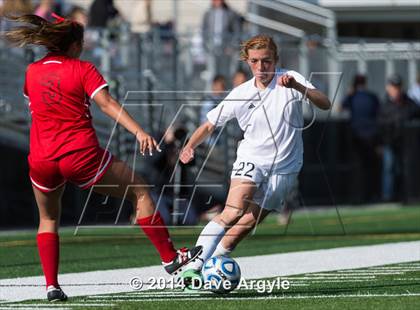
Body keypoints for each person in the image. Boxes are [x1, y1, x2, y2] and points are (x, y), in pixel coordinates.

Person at [4, 14, 202, 302]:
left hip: (42, 158)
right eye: (81, 42)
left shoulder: (32, 71)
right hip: (79, 154)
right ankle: (170, 258)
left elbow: (35, 103)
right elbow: (107, 104)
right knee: (139, 190)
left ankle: (51, 286)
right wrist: (139, 131)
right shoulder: (83, 69)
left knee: (48, 218)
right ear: (73, 45)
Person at [179, 35, 331, 285]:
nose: (261, 67)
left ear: (276, 60)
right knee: (233, 210)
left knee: (247, 223)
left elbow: (324, 103)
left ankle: (215, 260)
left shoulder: (291, 79)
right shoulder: (241, 93)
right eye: (255, 62)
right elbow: (209, 124)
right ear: (248, 62)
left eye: (267, 61)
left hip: (286, 166)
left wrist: (298, 87)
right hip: (251, 159)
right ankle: (193, 268)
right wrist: (190, 146)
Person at [378, 74, 420, 201]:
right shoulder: (385, 105)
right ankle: (387, 196)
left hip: (405, 143)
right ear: (388, 87)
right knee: (389, 169)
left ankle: (404, 194)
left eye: (397, 87)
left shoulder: (409, 103)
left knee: (403, 169)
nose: (396, 90)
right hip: (389, 142)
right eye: (393, 86)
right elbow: (380, 125)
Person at [341, 74, 381, 203]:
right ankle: (372, 194)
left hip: (356, 136)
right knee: (371, 168)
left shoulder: (352, 97)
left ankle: (358, 196)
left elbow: (339, 108)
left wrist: (349, 93)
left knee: (358, 168)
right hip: (372, 136)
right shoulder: (372, 97)